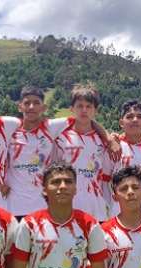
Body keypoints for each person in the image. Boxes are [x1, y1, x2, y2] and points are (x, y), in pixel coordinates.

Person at [4, 86, 71, 219]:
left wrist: (109, 139)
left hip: (43, 206)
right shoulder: (9, 130)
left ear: (44, 107)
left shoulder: (51, 127)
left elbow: (85, 119)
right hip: (14, 206)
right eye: (27, 103)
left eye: (36, 103)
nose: (31, 107)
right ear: (20, 107)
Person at [54, 84, 118, 222]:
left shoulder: (104, 141)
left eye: (89, 106)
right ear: (71, 109)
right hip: (66, 207)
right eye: (80, 106)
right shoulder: (60, 138)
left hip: (96, 209)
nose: (84, 110)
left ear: (95, 110)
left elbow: (108, 174)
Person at [106, 100, 141, 216]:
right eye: (130, 117)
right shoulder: (114, 147)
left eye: (140, 117)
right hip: (119, 213)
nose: (135, 120)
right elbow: (104, 181)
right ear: (121, 122)